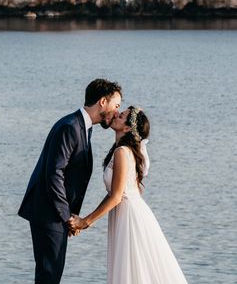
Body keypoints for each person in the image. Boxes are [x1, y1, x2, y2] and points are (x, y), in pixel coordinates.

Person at [18, 79, 122, 284]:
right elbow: (54, 174)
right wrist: (67, 217)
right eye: (116, 105)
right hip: (48, 212)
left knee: (51, 275)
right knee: (49, 277)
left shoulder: (83, 127)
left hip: (53, 213)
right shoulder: (70, 127)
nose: (117, 112)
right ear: (103, 102)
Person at [75, 106, 188, 284]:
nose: (116, 116)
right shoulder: (122, 150)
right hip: (127, 211)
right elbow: (116, 193)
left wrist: (85, 222)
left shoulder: (122, 152)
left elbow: (117, 196)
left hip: (129, 216)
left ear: (127, 128)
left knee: (134, 270)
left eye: (121, 116)